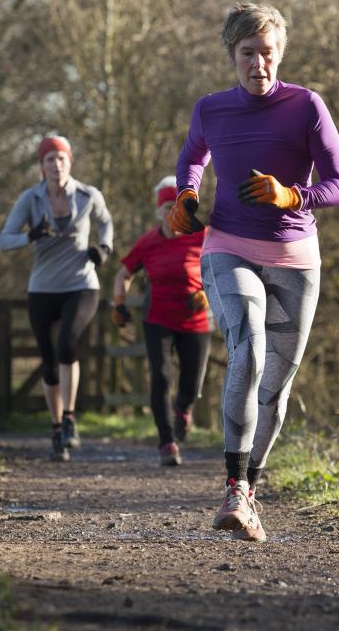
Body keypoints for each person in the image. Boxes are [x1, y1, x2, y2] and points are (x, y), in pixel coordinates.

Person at [171, 3, 339, 541]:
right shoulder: (211, 109)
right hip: (228, 245)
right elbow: (192, 158)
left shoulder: (306, 106)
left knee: (276, 381)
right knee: (247, 349)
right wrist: (186, 195)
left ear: (281, 54)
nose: (259, 64)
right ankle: (233, 488)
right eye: (248, 53)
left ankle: (249, 490)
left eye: (268, 53)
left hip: (296, 256)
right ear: (233, 55)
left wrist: (292, 195)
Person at [0, 134, 114, 461]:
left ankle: (70, 418)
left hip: (81, 283)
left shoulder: (88, 195)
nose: (56, 165)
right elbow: (3, 240)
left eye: (61, 158)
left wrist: (104, 249)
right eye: (50, 159)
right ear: (42, 165)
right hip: (42, 287)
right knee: (48, 360)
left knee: (66, 344)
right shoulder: (30, 199)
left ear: (69, 162)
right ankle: (55, 427)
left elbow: (106, 222)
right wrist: (30, 236)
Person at [111, 175, 211, 468]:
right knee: (161, 377)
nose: (173, 213)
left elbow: (223, 267)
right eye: (168, 207)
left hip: (195, 319)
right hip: (158, 319)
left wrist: (207, 292)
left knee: (191, 384)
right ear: (159, 212)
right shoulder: (149, 242)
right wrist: (119, 302)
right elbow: (124, 273)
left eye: (178, 207)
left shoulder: (202, 236)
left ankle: (183, 411)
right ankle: (167, 442)